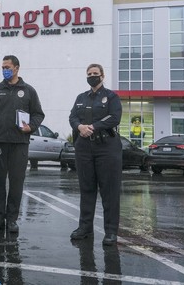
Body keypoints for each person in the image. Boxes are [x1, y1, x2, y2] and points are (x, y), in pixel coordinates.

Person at [0, 55, 45, 234]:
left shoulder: (28, 91)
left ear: (17, 68)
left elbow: (38, 114)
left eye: (8, 67)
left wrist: (31, 127)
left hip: (19, 144)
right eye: (2, 67)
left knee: (16, 183)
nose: (4, 69)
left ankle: (12, 219)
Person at [69, 63, 122, 246]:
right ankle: (85, 228)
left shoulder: (111, 97)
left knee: (109, 191)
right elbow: (73, 117)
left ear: (102, 76)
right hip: (84, 148)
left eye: (95, 73)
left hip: (106, 147)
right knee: (87, 189)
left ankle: (111, 231)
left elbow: (115, 117)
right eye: (89, 73)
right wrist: (79, 127)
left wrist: (93, 127)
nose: (92, 76)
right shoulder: (81, 97)